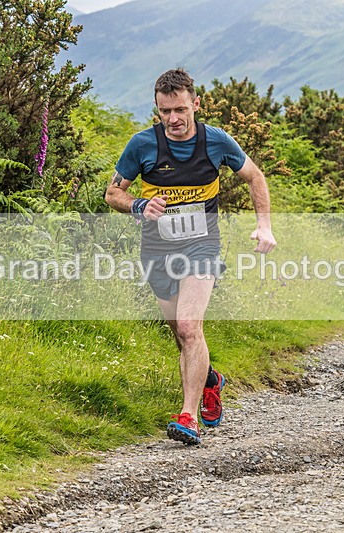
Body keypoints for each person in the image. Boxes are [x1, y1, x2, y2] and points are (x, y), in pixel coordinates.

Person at [105, 68, 276, 445]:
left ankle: (188, 417)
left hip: (202, 247)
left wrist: (264, 226)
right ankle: (211, 379)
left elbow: (255, 176)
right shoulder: (142, 145)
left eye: (180, 109)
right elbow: (113, 193)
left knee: (188, 326)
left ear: (196, 104)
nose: (173, 119)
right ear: (157, 109)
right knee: (181, 335)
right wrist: (138, 206)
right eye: (165, 111)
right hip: (157, 250)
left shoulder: (215, 141)